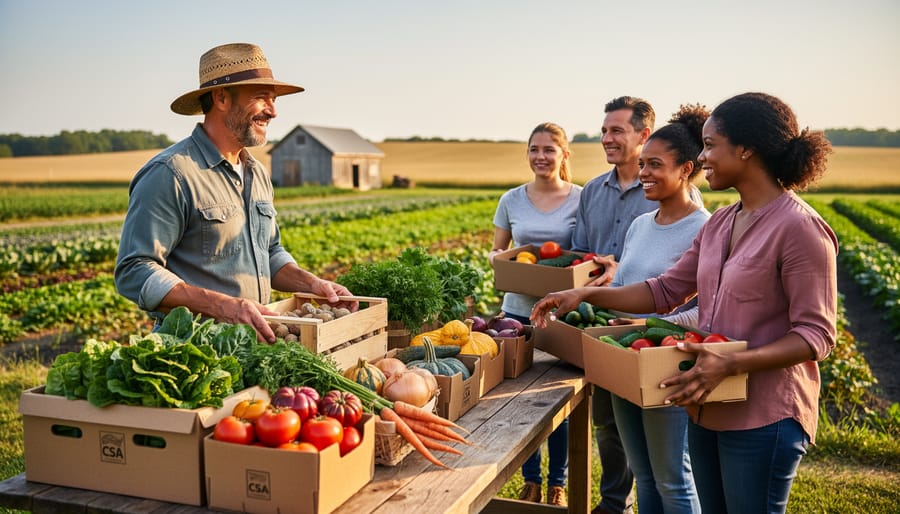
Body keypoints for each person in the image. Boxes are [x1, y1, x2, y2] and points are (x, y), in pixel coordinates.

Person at [532, 92, 837, 514]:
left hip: (765, 415)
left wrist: (732, 362)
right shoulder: (723, 223)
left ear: (746, 149)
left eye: (711, 145)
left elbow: (816, 336)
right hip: (706, 402)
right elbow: (663, 291)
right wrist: (585, 293)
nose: (704, 157)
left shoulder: (799, 228)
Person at [115, 42, 353, 342]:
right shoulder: (171, 173)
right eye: (261, 98)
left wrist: (313, 284)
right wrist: (223, 307)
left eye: (274, 99)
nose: (273, 111)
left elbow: (270, 252)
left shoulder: (257, 173)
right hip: (193, 351)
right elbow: (134, 270)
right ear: (222, 98)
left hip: (254, 346)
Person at [607, 104, 711, 514]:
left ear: (686, 169)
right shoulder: (640, 225)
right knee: (643, 472)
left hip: (670, 361)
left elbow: (709, 311)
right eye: (642, 163)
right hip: (624, 353)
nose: (644, 173)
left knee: (673, 478)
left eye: (655, 164)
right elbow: (620, 287)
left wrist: (649, 323)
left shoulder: (705, 229)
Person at [490, 122, 582, 507]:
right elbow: (497, 253)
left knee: (556, 400)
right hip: (518, 314)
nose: (540, 156)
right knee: (521, 400)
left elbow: (584, 257)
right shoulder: (511, 199)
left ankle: (557, 482)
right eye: (534, 149)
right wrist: (504, 263)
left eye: (549, 149)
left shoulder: (581, 198)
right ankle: (531, 480)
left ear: (563, 154)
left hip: (562, 317)